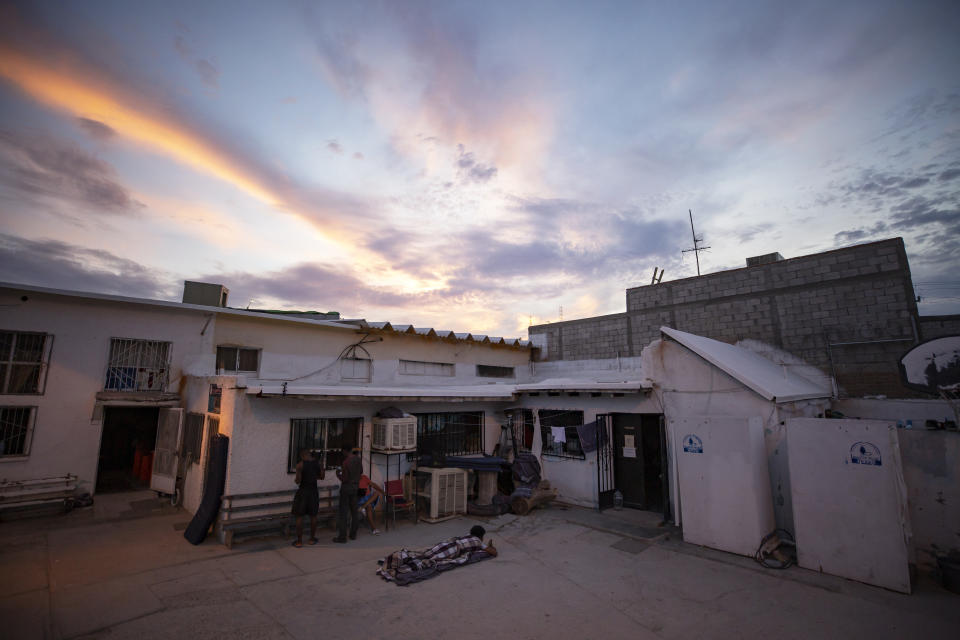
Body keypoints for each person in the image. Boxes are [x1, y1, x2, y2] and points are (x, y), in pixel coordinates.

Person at [291, 448, 324, 547]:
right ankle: (312, 539)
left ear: (302, 456)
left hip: (303, 492)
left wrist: (298, 473)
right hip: (313, 492)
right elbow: (322, 477)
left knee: (299, 516)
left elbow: (298, 481)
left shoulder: (300, 465)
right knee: (313, 516)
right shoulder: (318, 464)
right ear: (310, 454)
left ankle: (299, 542)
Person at [333, 443, 363, 543]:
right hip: (355, 487)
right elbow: (361, 472)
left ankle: (342, 537)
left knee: (344, 513)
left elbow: (345, 479)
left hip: (347, 488)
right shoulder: (358, 459)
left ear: (345, 451)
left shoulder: (346, 462)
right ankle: (353, 534)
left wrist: (338, 475)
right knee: (354, 512)